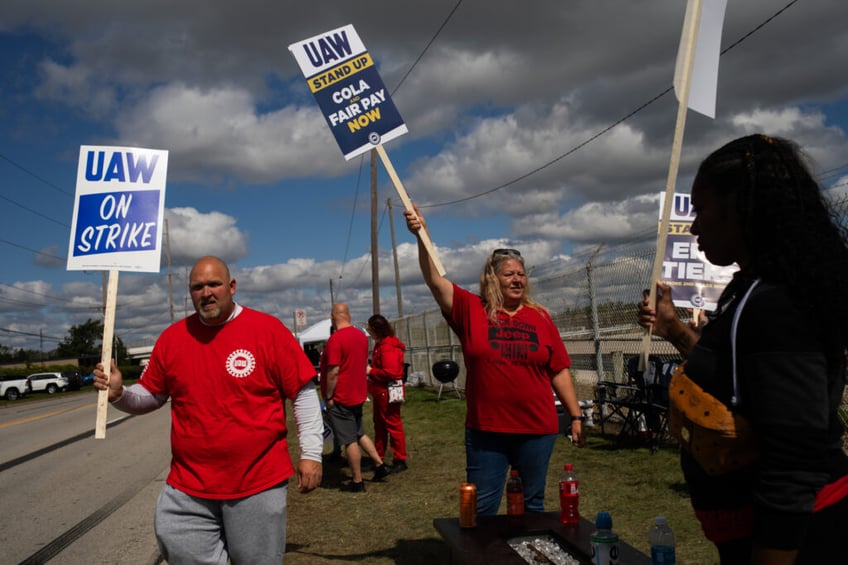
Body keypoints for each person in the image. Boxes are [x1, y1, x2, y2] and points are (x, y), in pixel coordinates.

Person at [637, 134, 848, 564]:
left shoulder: (779, 300)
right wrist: (674, 328)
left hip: (803, 538)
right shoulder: (749, 289)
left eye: (701, 209)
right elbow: (729, 375)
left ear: (740, 207)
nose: (694, 226)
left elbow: (794, 456)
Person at [92, 256, 323, 565]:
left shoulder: (267, 330)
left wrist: (312, 454)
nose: (206, 292)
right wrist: (120, 394)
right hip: (188, 487)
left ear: (231, 286)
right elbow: (151, 395)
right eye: (197, 287)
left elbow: (303, 394)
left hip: (257, 482)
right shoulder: (173, 338)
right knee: (176, 542)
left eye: (214, 284)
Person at [404, 206, 586, 516]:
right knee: (483, 510)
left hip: (537, 430)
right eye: (509, 274)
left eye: (521, 274)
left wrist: (576, 416)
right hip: (487, 430)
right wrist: (423, 235)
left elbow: (558, 369)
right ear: (493, 278)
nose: (517, 280)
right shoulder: (471, 308)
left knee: (532, 507)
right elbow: (435, 280)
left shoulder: (540, 317)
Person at [320, 302, 391, 491]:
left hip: (341, 397)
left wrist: (328, 395)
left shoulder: (335, 340)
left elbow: (333, 371)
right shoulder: (361, 336)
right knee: (359, 433)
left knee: (349, 440)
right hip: (358, 393)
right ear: (349, 315)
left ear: (333, 316)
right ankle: (379, 464)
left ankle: (357, 481)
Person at [366, 314, 409, 472]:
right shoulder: (382, 345)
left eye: (369, 329)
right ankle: (379, 456)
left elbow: (390, 372)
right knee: (381, 425)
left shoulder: (387, 347)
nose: (368, 332)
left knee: (391, 424)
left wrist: (371, 371)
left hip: (387, 391)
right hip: (382, 391)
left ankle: (399, 458)